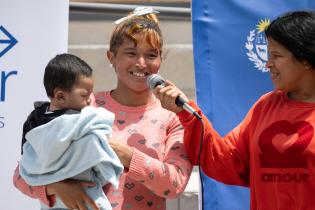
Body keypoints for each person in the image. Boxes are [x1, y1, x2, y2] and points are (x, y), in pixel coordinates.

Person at [13, 7, 193, 210]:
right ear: (111, 57)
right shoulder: (84, 105)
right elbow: (21, 176)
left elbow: (175, 184)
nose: (141, 63)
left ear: (160, 59)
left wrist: (125, 154)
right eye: (131, 53)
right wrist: (56, 187)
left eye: (151, 55)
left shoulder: (174, 118)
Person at [153, 10, 315, 210]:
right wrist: (186, 114)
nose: (268, 64)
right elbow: (227, 161)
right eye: (268, 55)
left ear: (305, 59)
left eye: (277, 55)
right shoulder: (266, 105)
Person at [16, 53, 123, 210]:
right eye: (85, 95)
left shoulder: (34, 119)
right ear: (60, 96)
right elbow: (100, 152)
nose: (89, 100)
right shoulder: (81, 120)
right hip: (87, 196)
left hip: (51, 200)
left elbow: (27, 159)